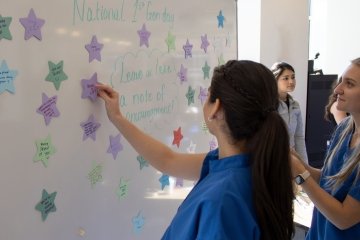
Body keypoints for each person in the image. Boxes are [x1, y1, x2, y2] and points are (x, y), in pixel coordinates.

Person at [96, 60, 295, 240]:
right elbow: (168, 160)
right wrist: (118, 118)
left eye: (207, 95)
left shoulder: (220, 202)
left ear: (215, 108)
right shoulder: (248, 163)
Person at [291, 57, 360, 239]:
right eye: (340, 82)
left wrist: (300, 175)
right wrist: (298, 163)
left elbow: (344, 218)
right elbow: (329, 180)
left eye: (350, 84)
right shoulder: (345, 128)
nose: (337, 90)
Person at [271, 61, 308, 163]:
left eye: (293, 77)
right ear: (275, 80)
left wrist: (305, 165)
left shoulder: (295, 105)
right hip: (273, 160)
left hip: (292, 160)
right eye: (286, 78)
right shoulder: (268, 106)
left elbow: (298, 137)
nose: (291, 81)